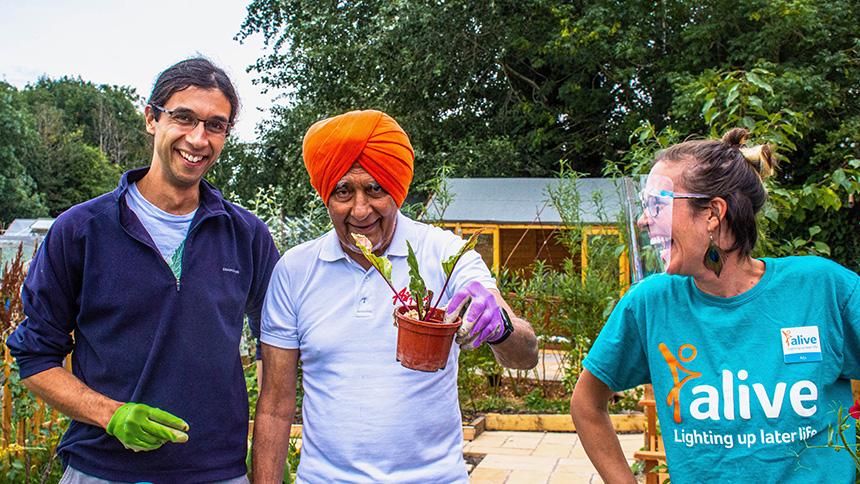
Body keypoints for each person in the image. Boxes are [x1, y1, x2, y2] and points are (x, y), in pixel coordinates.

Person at [6, 58, 280, 483]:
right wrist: (111, 415)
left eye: (215, 125)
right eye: (184, 117)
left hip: (215, 473)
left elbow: (275, 351)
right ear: (152, 118)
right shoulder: (81, 230)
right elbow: (35, 357)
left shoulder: (247, 236)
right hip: (101, 470)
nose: (198, 138)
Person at [252, 109, 539, 482]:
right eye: (343, 191)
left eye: (375, 189)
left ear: (396, 189)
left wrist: (500, 327)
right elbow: (275, 406)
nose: (360, 209)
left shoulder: (446, 255)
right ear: (326, 195)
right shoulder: (294, 271)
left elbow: (526, 355)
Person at [571, 128, 860, 483]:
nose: (644, 220)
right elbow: (586, 404)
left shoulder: (822, 289)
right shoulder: (650, 305)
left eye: (656, 205)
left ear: (712, 214)